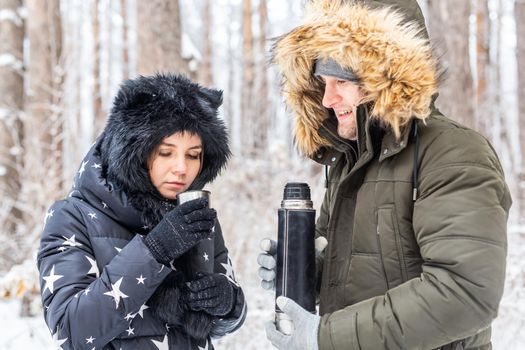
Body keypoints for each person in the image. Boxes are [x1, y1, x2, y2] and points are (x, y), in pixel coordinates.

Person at [258, 1, 512, 349]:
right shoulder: (351, 161)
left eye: (342, 80)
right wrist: (307, 271)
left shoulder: (453, 154)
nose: (329, 99)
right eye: (322, 81)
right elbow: (372, 272)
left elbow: (464, 292)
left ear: (385, 73)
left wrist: (323, 337)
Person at [37, 73, 246, 349]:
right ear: (135, 151)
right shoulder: (72, 218)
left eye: (193, 155)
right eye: (165, 152)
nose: (182, 168)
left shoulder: (193, 214)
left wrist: (230, 303)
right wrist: (155, 251)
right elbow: (70, 330)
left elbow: (221, 326)